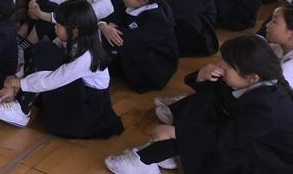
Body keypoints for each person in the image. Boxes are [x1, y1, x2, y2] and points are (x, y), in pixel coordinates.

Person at [105, 35, 293, 174]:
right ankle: (159, 155)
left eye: (228, 65)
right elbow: (218, 96)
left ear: (252, 78)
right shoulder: (257, 82)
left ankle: (149, 158)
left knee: (215, 141)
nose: (221, 66)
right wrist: (201, 76)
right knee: (208, 100)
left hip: (269, 160)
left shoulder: (267, 108)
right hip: (245, 135)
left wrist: (176, 132)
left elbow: (224, 138)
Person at [0, 0, 124, 138]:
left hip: (87, 110)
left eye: (59, 25)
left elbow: (52, 80)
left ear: (75, 31)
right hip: (76, 91)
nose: (55, 27)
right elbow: (40, 61)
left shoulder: (86, 56)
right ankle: (17, 101)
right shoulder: (72, 38)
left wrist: (17, 83)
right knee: (43, 50)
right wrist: (14, 81)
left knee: (46, 53)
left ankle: (22, 111)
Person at [100, 0, 179, 93]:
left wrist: (111, 29)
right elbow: (110, 20)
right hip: (135, 49)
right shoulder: (130, 5)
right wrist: (103, 26)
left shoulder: (157, 19)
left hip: (155, 66)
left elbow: (128, 38)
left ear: (143, 0)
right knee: (107, 36)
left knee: (112, 39)